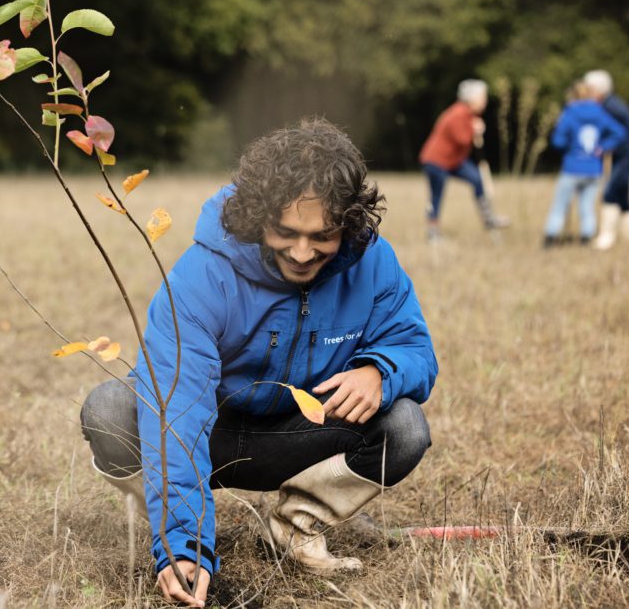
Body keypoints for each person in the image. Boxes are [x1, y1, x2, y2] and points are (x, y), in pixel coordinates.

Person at [80, 118, 437, 607]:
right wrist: (185, 544)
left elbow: (415, 349)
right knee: (110, 409)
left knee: (406, 426)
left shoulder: (374, 264)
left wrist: (379, 370)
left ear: (350, 223)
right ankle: (180, 534)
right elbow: (177, 413)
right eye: (286, 232)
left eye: (323, 236)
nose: (303, 251)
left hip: (303, 434)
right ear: (257, 215)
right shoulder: (201, 276)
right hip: (212, 433)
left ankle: (295, 527)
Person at [419, 79, 509, 242]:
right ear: (472, 99)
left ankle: (489, 218)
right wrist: (475, 130)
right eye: (483, 97)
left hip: (454, 161)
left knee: (477, 179)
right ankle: (433, 231)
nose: (485, 101)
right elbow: (463, 139)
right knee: (437, 195)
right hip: (436, 161)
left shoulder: (469, 114)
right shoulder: (459, 114)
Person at [543, 81, 627, 247]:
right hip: (594, 168)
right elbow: (620, 132)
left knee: (560, 205)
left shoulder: (569, 113)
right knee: (587, 206)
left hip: (572, 167)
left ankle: (551, 237)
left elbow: (558, 141)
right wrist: (603, 147)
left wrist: (569, 146)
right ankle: (586, 237)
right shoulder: (600, 112)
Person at [583, 70, 629, 249]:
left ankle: (606, 237)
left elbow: (622, 133)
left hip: (626, 154)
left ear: (598, 89)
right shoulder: (612, 103)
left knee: (610, 192)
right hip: (623, 153)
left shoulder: (610, 107)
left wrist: (603, 147)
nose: (587, 91)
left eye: (589, 88)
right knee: (622, 196)